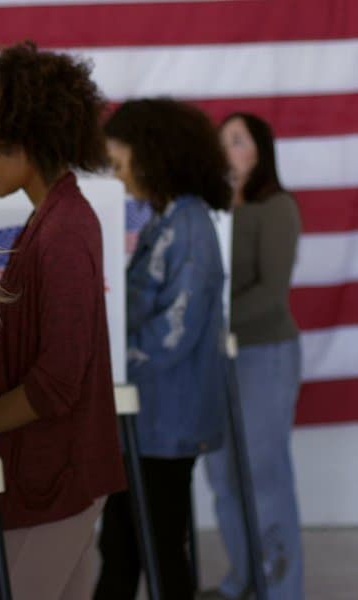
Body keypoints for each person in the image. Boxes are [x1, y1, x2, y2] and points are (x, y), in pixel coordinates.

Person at [0, 42, 126, 600]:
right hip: (55, 473)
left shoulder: (65, 230)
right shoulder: (52, 221)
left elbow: (58, 381)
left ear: (28, 141)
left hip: (59, 474)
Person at [95, 98, 231, 600]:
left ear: (153, 155)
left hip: (167, 421)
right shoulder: (165, 220)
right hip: (147, 419)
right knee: (125, 544)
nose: (118, 176)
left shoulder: (189, 227)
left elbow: (174, 332)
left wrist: (106, 360)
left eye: (120, 163)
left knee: (156, 549)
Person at [202, 113, 304, 600]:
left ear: (260, 150)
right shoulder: (210, 209)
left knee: (264, 473)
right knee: (223, 476)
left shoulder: (276, 207)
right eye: (222, 142)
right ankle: (245, 578)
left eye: (238, 141)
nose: (228, 150)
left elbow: (272, 291)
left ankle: (282, 588)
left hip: (264, 353)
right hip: (216, 358)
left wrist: (212, 320)